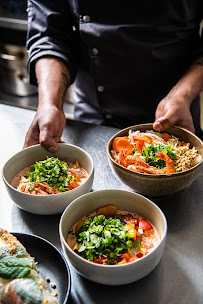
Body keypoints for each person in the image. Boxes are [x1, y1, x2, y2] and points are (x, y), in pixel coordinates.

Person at [24, 0, 203, 153]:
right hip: (93, 117)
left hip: (175, 112)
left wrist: (181, 95)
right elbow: (50, 36)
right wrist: (50, 103)